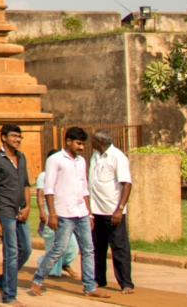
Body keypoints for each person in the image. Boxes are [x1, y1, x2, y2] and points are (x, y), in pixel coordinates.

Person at [30, 127, 106, 299]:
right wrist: (52, 214)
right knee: (59, 249)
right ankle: (38, 279)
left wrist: (90, 213)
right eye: (78, 144)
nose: (81, 147)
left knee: (88, 249)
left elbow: (84, 188)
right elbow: (48, 189)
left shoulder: (81, 161)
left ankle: (89, 287)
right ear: (68, 141)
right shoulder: (55, 160)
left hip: (81, 213)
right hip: (64, 213)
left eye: (82, 144)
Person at [0, 124, 33, 303]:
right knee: (11, 252)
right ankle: (9, 295)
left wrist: (28, 206)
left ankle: (2, 281)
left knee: (26, 250)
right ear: (3, 137)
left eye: (20, 137)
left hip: (21, 210)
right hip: (5, 210)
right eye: (14, 136)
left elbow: (26, 184)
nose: (17, 140)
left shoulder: (21, 158)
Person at [89, 129, 135, 295]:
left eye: (93, 139)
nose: (90, 142)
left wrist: (120, 208)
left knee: (119, 247)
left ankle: (126, 283)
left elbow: (127, 184)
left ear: (99, 141)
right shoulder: (95, 156)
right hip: (96, 210)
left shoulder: (117, 156)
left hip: (113, 211)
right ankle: (99, 278)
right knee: (97, 247)